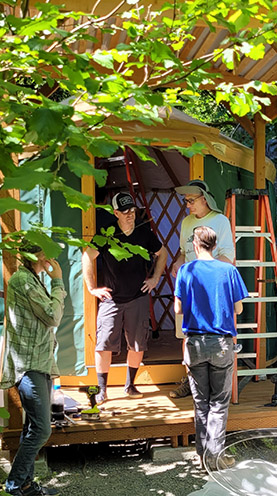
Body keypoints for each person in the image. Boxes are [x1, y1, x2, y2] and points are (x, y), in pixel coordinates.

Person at [82, 192, 168, 402]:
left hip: (137, 296)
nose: (130, 215)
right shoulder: (106, 233)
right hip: (111, 297)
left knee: (138, 343)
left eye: (133, 211)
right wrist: (92, 288)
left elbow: (162, 253)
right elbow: (87, 256)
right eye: (125, 212)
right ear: (116, 213)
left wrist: (155, 278)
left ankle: (130, 385)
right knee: (103, 343)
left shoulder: (143, 230)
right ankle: (102, 389)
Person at [174, 226, 248, 464]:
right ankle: (215, 456)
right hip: (221, 344)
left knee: (200, 402)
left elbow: (177, 309)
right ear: (215, 246)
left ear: (195, 245)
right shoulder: (229, 270)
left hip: (194, 343)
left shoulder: (186, 270)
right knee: (218, 403)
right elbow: (239, 309)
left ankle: (203, 453)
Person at [1, 240, 66, 496]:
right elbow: (53, 315)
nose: (50, 257)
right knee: (42, 428)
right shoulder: (24, 281)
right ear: (33, 255)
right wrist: (59, 282)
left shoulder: (32, 278)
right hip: (29, 364)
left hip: (40, 360)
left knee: (32, 427)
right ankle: (14, 485)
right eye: (45, 252)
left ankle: (26, 486)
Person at [170, 179, 235, 398]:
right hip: (190, 288)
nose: (188, 204)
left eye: (191, 200)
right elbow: (182, 251)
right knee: (186, 334)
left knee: (214, 334)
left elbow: (228, 257)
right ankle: (190, 382)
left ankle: (215, 386)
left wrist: (206, 271)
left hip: (212, 290)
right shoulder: (186, 222)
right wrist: (177, 263)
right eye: (186, 201)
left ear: (205, 199)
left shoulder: (220, 221)